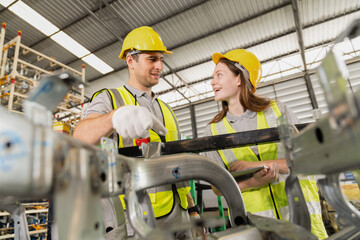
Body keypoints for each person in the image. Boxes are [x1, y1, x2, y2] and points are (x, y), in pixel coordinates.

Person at [73, 26, 198, 239]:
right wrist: (113, 117)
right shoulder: (109, 98)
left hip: (180, 217)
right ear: (130, 61)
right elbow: (80, 137)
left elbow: (177, 162)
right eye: (152, 59)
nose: (159, 66)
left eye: (160, 59)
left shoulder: (166, 109)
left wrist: (193, 209)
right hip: (137, 219)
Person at [202, 49, 328, 239]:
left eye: (219, 75)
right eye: (213, 77)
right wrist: (253, 181)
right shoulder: (212, 131)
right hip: (257, 226)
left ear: (239, 79)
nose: (213, 82)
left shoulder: (278, 112)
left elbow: (309, 159)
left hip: (302, 220)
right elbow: (218, 188)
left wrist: (254, 166)